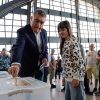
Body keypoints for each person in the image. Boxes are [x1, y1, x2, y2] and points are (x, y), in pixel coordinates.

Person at [8, 9, 48, 80]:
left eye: (41, 23)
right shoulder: (23, 31)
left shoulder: (44, 32)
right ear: (31, 18)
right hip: (26, 71)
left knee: (39, 90)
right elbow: (18, 47)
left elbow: (45, 48)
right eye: (36, 21)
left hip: (40, 70)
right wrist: (16, 63)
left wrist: (45, 57)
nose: (38, 25)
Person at [57, 20, 85, 100]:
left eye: (63, 30)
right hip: (68, 77)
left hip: (75, 77)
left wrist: (76, 77)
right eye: (59, 30)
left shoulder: (73, 41)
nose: (60, 32)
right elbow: (65, 62)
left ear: (68, 29)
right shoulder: (65, 42)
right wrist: (64, 76)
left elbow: (79, 61)